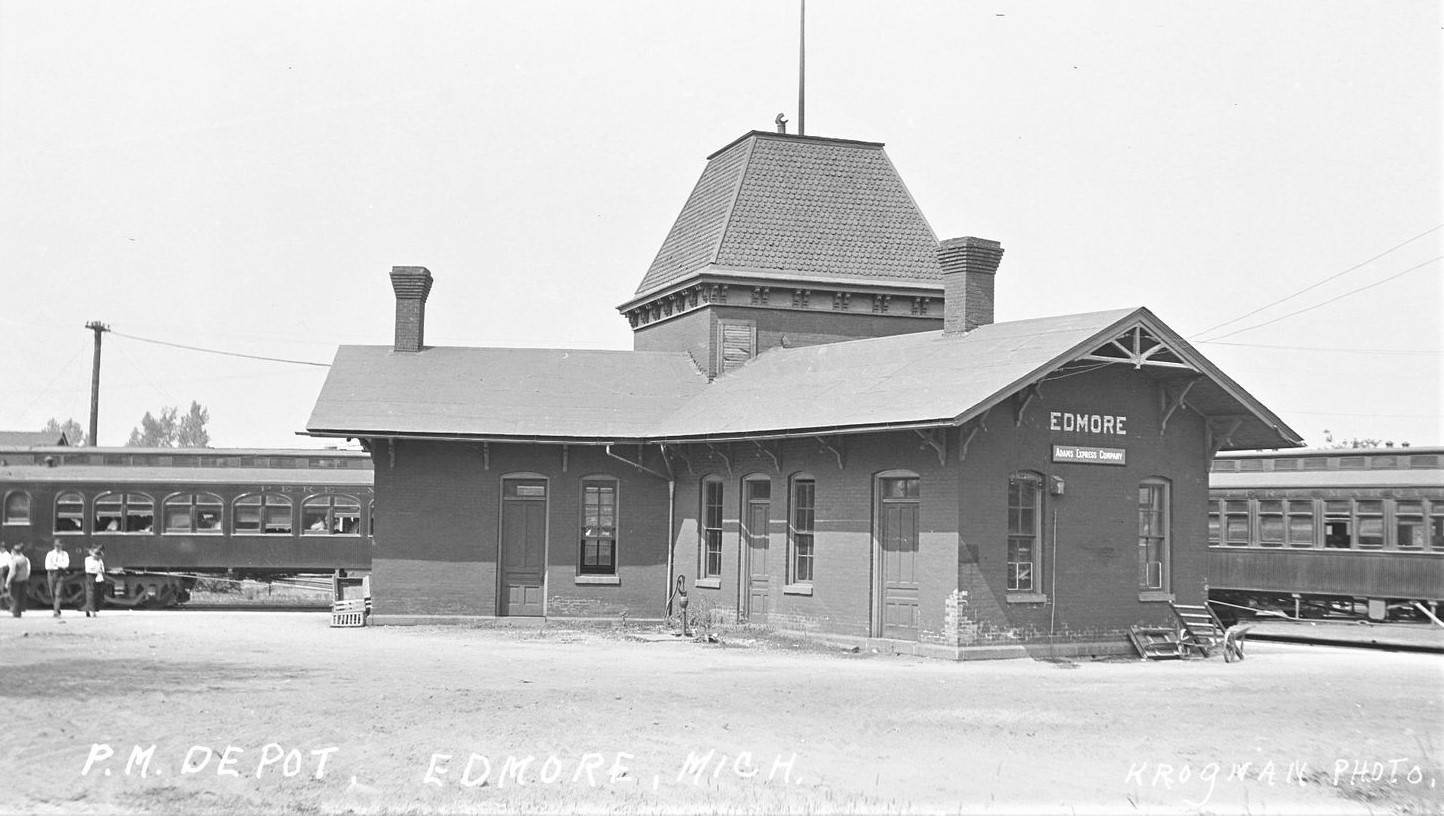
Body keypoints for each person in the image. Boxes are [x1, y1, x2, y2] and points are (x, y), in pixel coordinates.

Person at [44, 541, 70, 617]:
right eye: (56, 546)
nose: (58, 547)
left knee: (58, 593)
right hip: (51, 574)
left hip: (61, 574)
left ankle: (55, 611)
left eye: (59, 546)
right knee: (52, 592)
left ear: (61, 546)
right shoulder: (50, 554)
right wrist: (59, 565)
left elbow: (66, 565)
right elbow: (47, 566)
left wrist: (56, 564)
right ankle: (57, 608)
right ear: (54, 546)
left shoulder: (65, 554)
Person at [7, 544, 31, 617]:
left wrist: (7, 581)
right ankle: (19, 611)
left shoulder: (15, 560)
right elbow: (27, 570)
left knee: (15, 596)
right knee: (21, 596)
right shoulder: (25, 559)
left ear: (14, 551)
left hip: (16, 580)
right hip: (24, 579)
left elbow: (13, 572)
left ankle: (15, 612)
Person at [84, 546, 106, 617]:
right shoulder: (88, 559)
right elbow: (91, 567)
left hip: (97, 576)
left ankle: (92, 609)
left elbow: (102, 568)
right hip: (91, 576)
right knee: (91, 594)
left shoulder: (99, 560)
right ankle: (91, 611)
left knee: (96, 593)